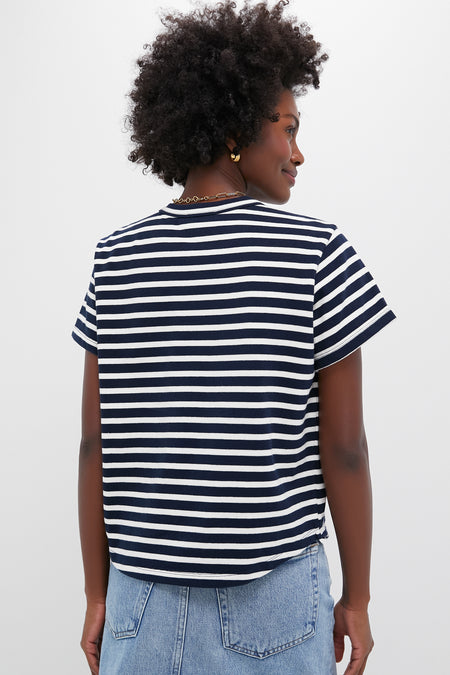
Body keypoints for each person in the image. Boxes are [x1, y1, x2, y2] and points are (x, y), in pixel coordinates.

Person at [73, 2, 395, 673]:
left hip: (138, 601)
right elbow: (344, 449)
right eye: (288, 129)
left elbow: (94, 446)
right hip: (272, 599)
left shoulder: (117, 258)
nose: (298, 153)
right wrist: (358, 598)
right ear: (233, 131)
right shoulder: (316, 251)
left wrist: (96, 594)